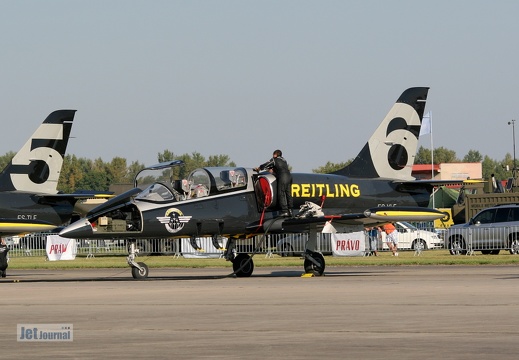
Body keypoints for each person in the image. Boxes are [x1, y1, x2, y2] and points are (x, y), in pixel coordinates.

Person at [254, 149, 293, 217]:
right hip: (289, 176)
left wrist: (259, 168)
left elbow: (266, 165)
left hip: (283, 177)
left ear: (275, 154)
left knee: (281, 193)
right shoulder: (284, 160)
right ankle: (290, 211)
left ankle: (284, 211)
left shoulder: (274, 159)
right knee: (288, 194)